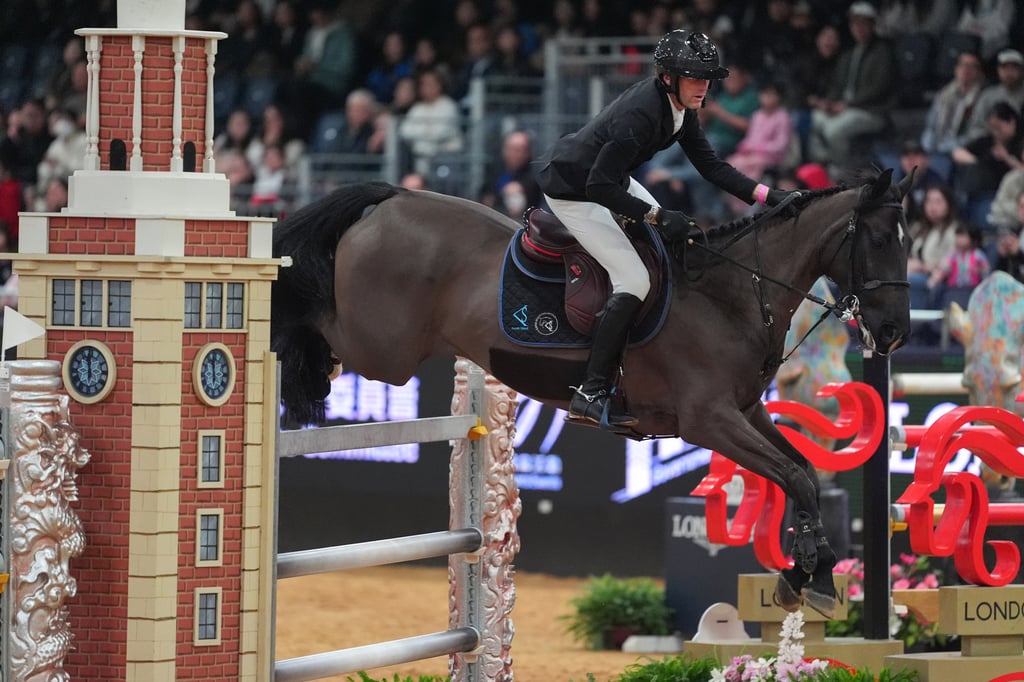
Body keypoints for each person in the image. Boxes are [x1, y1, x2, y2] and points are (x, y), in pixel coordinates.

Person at [534, 30, 794, 427]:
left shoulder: (682, 108)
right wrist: (655, 216)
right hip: (574, 191)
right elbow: (597, 187)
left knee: (673, 243)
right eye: (695, 77)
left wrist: (767, 194)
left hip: (607, 180)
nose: (704, 87)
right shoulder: (639, 114)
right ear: (668, 77)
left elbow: (712, 167)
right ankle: (591, 390)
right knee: (634, 279)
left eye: (708, 78)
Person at [808, 2, 898, 170]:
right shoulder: (848, 53)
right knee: (815, 118)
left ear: (872, 25)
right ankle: (823, 165)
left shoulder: (883, 51)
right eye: (855, 24)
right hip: (846, 108)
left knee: (833, 130)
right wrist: (828, 102)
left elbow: (878, 88)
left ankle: (841, 170)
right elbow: (837, 85)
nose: (858, 28)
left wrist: (848, 104)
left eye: (863, 23)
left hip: (871, 111)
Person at [927, 223, 991, 311]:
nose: (959, 240)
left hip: (972, 291)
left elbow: (985, 272)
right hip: (953, 290)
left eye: (963, 236)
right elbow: (943, 269)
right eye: (958, 236)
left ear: (973, 238)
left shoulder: (978, 256)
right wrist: (935, 279)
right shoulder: (952, 255)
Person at [965, 48, 1024, 142]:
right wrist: (994, 134)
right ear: (998, 70)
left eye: (1014, 67)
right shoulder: (988, 96)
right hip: (988, 146)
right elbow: (974, 129)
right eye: (1005, 67)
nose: (1009, 72)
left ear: (1021, 71)